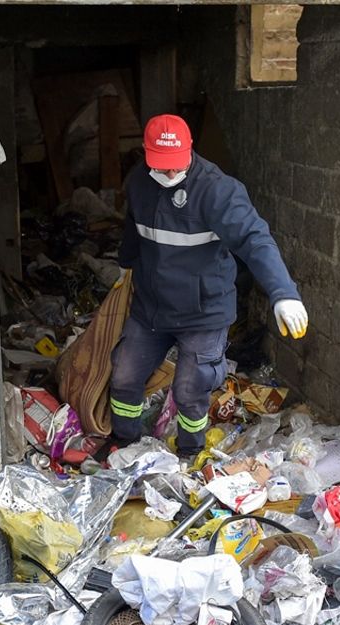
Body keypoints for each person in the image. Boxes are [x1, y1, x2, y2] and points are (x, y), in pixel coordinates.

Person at [108, 114, 307, 458]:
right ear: (146, 153)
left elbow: (254, 239)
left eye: (177, 162)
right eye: (162, 163)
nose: (171, 171)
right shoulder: (139, 183)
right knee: (124, 375)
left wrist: (283, 293)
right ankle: (124, 443)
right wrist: (124, 266)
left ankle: (189, 451)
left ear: (190, 150)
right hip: (152, 308)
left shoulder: (217, 190)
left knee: (190, 389)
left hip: (203, 311)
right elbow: (134, 230)